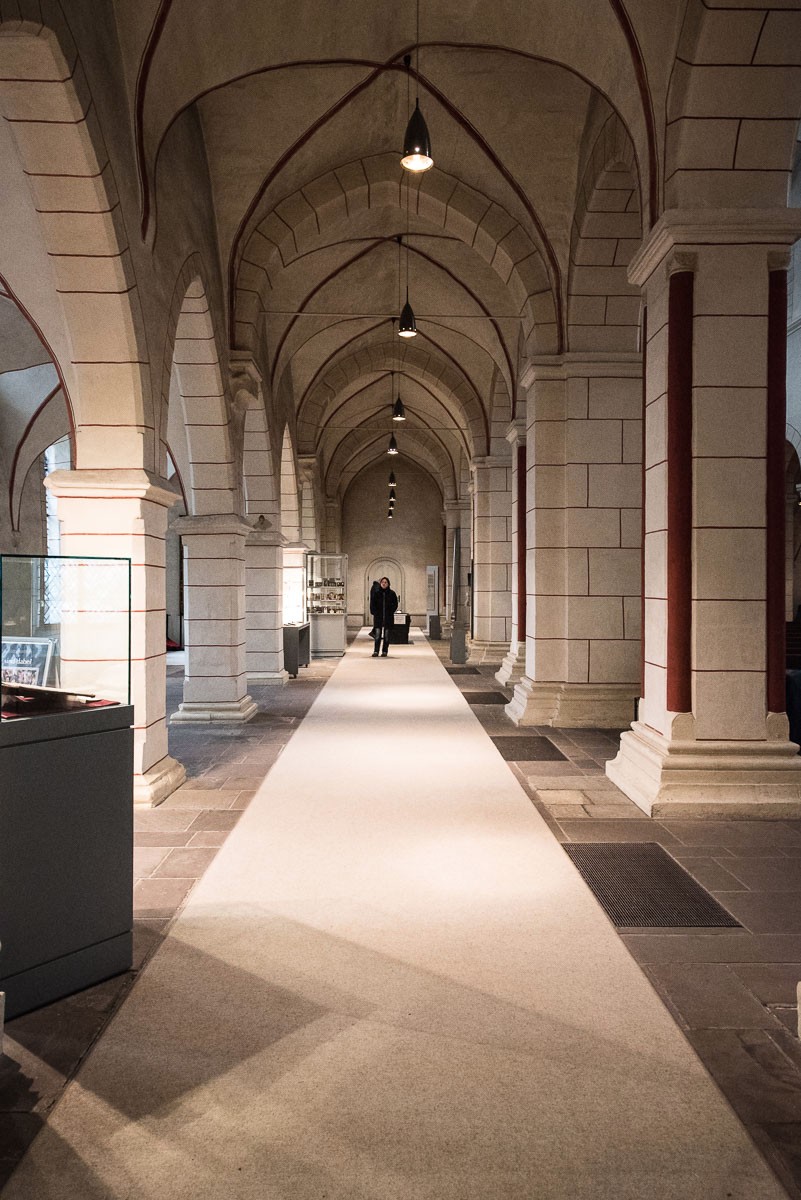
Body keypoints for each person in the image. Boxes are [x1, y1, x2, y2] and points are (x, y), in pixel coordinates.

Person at [369, 575, 398, 657]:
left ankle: (385, 651)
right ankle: (376, 651)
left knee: (386, 636)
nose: (384, 584)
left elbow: (395, 604)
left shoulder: (392, 593)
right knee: (377, 636)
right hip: (378, 618)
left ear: (388, 584)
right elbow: (372, 604)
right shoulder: (377, 593)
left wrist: (391, 611)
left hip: (388, 618)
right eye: (382, 582)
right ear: (380, 583)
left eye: (385, 582)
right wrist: (374, 612)